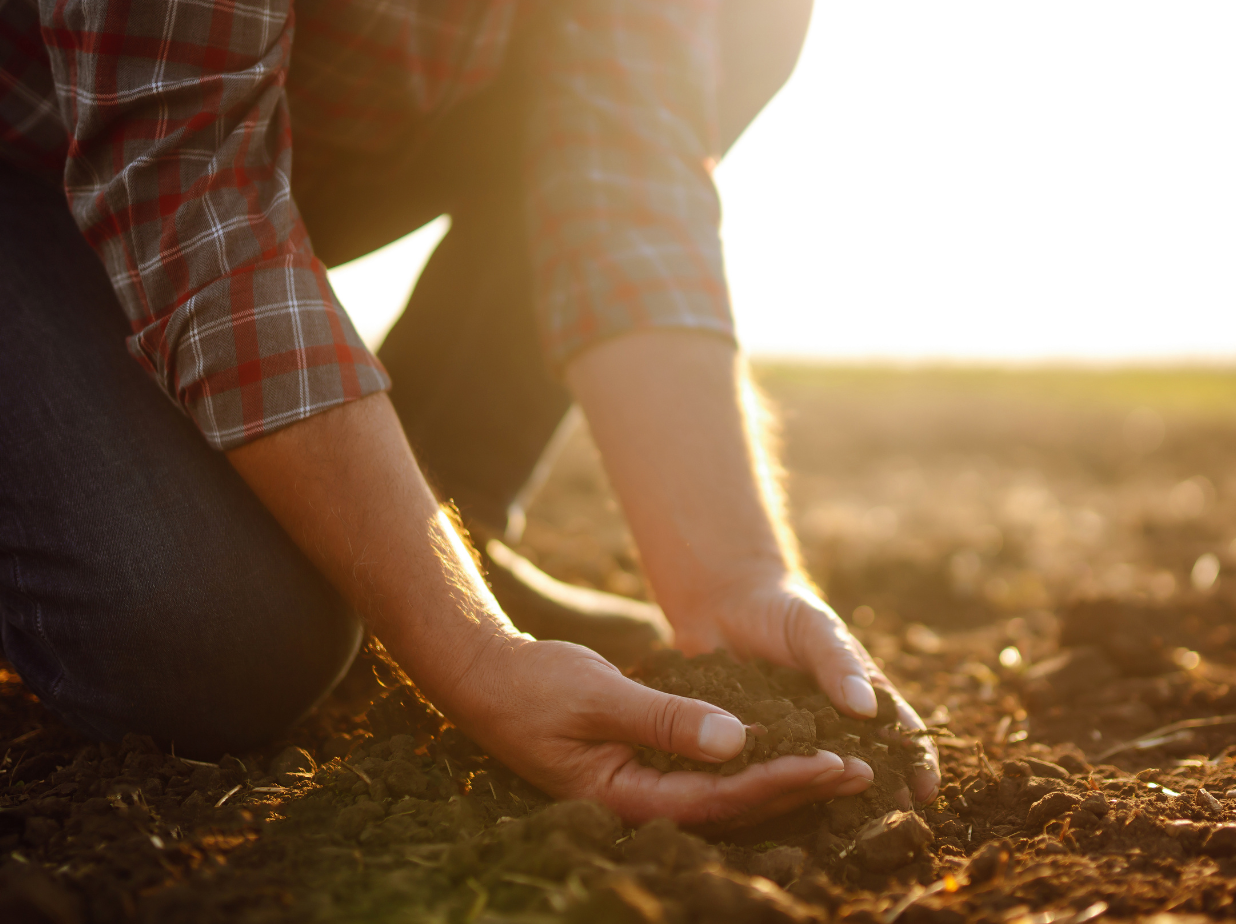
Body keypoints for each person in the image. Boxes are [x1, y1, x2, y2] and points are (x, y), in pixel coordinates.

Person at [0, 0, 937, 827]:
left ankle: (443, 524)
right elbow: (190, 185)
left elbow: (624, 176)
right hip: (35, 162)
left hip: (257, 147)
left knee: (746, 14)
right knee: (216, 640)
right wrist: (471, 654)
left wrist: (733, 574)